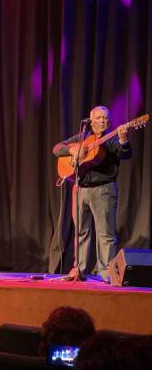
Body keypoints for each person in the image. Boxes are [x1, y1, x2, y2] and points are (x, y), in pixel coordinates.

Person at [53, 106, 131, 281]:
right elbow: (57, 148)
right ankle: (79, 271)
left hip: (103, 190)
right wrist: (72, 150)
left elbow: (125, 153)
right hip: (80, 188)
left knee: (105, 233)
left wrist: (124, 140)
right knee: (81, 232)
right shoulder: (83, 138)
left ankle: (106, 274)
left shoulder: (111, 139)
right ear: (90, 120)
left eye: (105, 118)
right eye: (98, 118)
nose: (102, 121)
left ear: (109, 122)